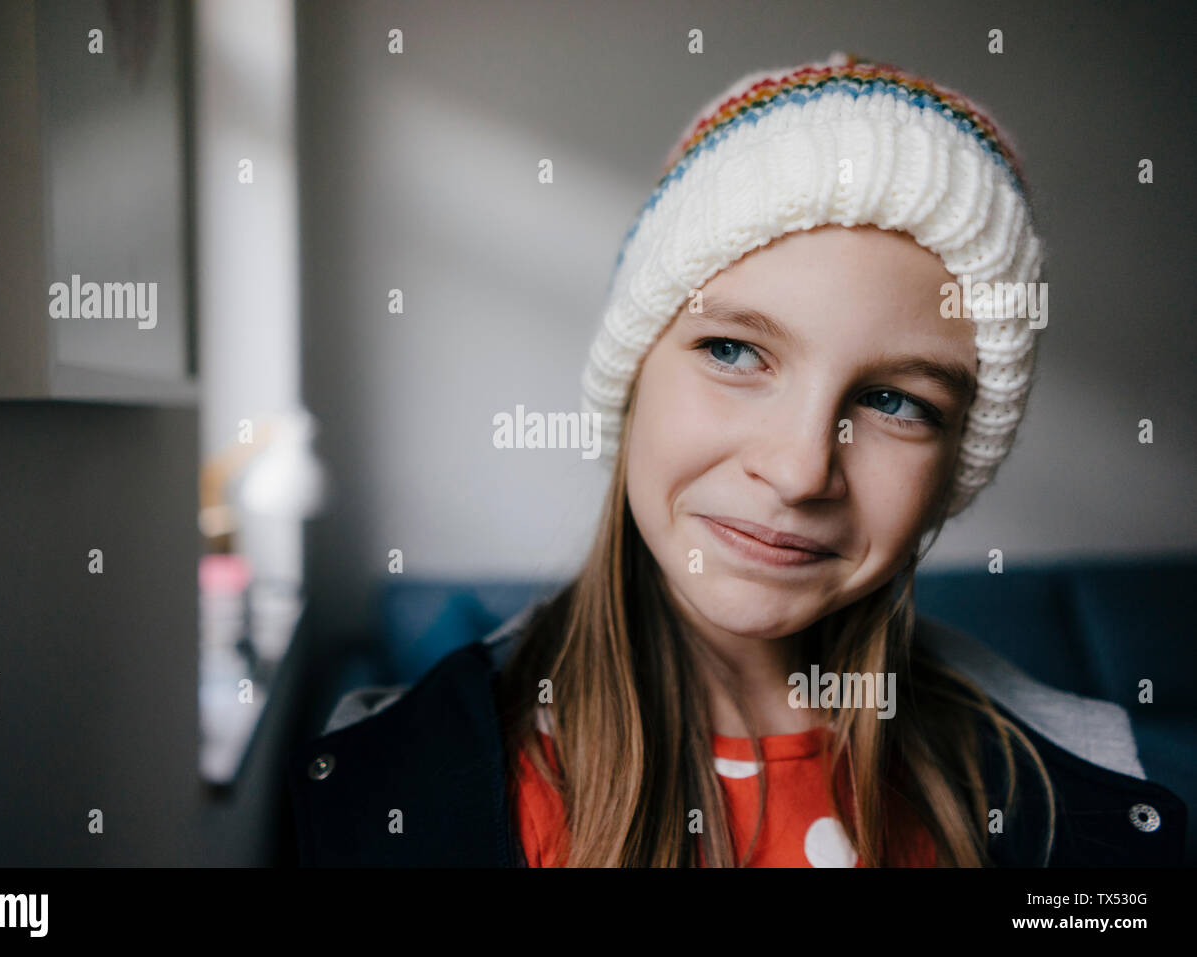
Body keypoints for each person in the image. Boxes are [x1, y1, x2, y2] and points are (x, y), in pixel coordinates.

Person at [287, 52, 1187, 867]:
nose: (800, 470)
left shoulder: (1070, 807)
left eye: (894, 402)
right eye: (733, 352)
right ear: (635, 375)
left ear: (955, 465)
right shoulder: (403, 797)